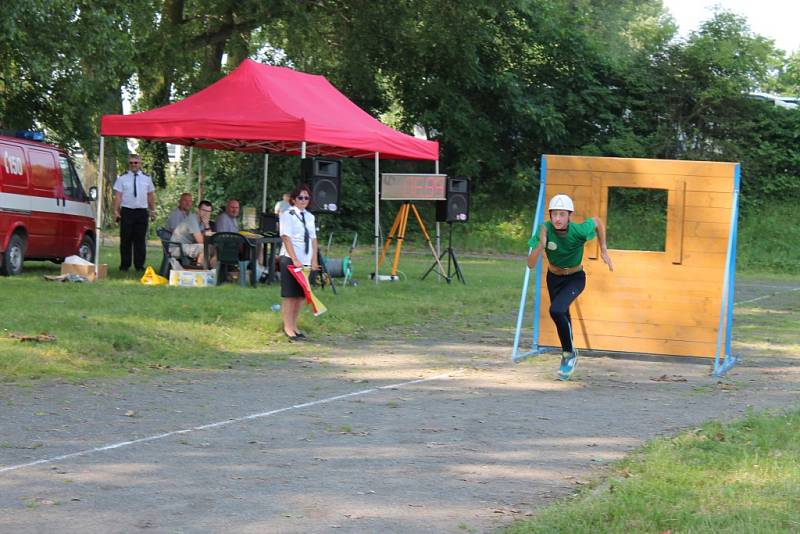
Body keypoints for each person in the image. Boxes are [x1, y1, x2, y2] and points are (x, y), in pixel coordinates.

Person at [526, 194, 613, 381]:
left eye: (562, 214)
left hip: (575, 278)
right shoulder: (544, 229)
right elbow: (530, 264)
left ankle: (569, 353)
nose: (557, 219)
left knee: (556, 310)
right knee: (562, 314)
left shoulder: (579, 231)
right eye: (554, 214)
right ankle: (568, 356)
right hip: (554, 278)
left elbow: (597, 222)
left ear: (569, 216)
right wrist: (541, 245)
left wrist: (603, 248)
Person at [278, 185, 318, 341]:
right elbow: (286, 237)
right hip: (291, 258)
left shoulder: (310, 217)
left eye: (306, 198)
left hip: (306, 260)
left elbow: (313, 239)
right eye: (300, 197)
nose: (304, 200)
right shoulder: (287, 214)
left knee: (301, 296)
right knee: (290, 295)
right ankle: (287, 327)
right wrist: (294, 258)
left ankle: (295, 325)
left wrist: (314, 259)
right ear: (293, 200)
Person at [112, 154, 156, 272]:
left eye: (135, 162)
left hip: (141, 212)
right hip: (127, 211)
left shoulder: (147, 178)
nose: (133, 165)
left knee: (140, 240)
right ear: (129, 164)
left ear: (140, 163)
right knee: (125, 239)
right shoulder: (122, 178)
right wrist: (116, 211)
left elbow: (150, 195)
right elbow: (118, 196)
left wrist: (153, 210)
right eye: (131, 163)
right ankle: (124, 266)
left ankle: (139, 266)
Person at [171, 200, 215, 267]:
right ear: (198, 210)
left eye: (208, 211)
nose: (206, 213)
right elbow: (201, 241)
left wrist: (206, 226)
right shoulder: (192, 220)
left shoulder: (202, 221)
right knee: (205, 248)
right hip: (176, 248)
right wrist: (206, 225)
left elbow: (208, 238)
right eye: (204, 210)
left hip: (186, 246)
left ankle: (213, 271)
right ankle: (200, 270)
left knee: (216, 248)